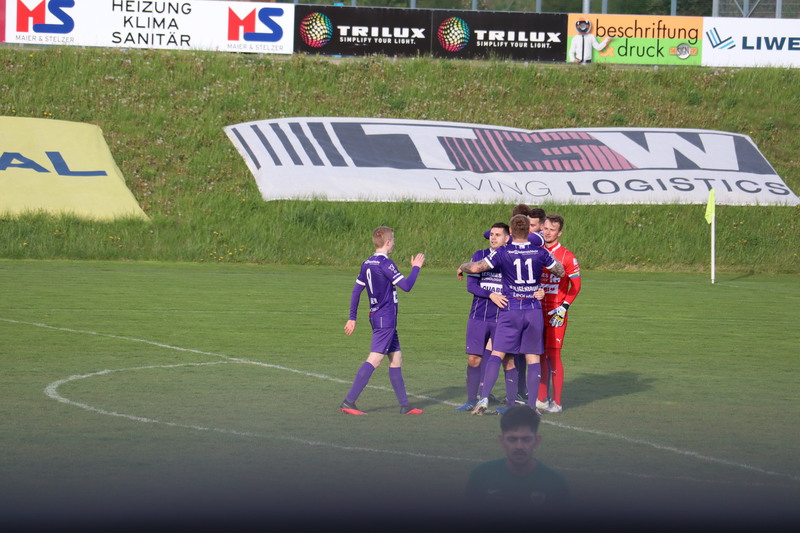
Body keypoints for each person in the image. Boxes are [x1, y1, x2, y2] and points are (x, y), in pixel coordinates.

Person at [458, 215, 565, 415]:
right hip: (533, 310)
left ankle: (483, 399)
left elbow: (475, 268)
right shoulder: (540, 251)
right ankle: (531, 407)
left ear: (511, 232)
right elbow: (560, 271)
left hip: (511, 309)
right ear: (529, 231)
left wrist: (462, 267)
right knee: (533, 358)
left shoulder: (503, 252)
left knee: (497, 353)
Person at [340, 226, 426, 416]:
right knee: (375, 359)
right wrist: (416, 268)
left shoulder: (367, 263)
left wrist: (352, 317)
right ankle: (349, 401)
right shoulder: (386, 264)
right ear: (387, 242)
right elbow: (406, 286)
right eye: (393, 240)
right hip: (385, 318)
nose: (394, 243)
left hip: (379, 317)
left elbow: (356, 291)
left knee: (396, 359)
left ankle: (405, 405)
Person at [465, 405, 570, 509]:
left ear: (537, 441)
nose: (519, 446)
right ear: (502, 441)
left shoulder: (555, 484)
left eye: (526, 439)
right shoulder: (481, 477)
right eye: (512, 439)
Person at [456, 222, 512, 412]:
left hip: (503, 317)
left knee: (507, 360)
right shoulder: (479, 255)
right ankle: (472, 400)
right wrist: (491, 295)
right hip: (479, 315)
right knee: (473, 359)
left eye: (497, 235)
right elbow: (471, 286)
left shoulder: (511, 257)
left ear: (507, 238)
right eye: (491, 235)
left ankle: (511, 403)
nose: (493, 238)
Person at [536, 214, 581, 414]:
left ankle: (557, 402)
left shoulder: (567, 256)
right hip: (536, 310)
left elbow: (576, 286)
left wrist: (564, 307)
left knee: (553, 355)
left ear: (559, 233)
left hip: (556, 313)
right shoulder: (535, 252)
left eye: (552, 230)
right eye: (545, 228)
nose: (547, 233)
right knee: (539, 354)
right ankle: (541, 399)